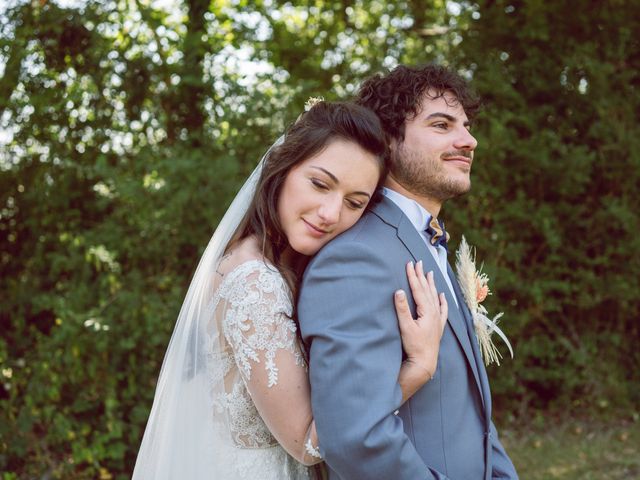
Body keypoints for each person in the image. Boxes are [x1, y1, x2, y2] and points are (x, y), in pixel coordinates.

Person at [132, 101, 449, 479]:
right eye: (319, 184)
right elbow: (308, 443)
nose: (331, 213)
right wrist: (417, 368)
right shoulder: (255, 283)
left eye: (354, 203)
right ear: (282, 170)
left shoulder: (269, 264)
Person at [298, 65, 519, 479]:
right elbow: (355, 438)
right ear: (388, 138)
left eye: (467, 127)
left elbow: (473, 415)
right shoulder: (356, 260)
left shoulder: (428, 242)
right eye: (442, 125)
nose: (468, 141)